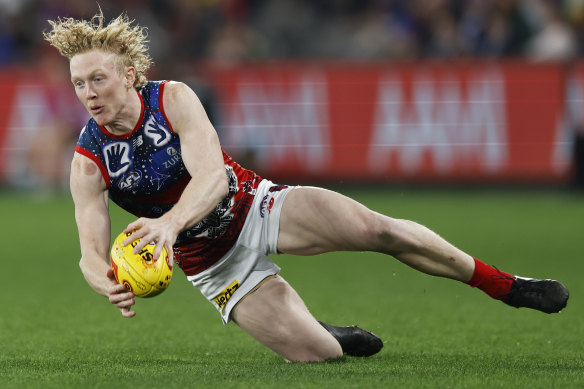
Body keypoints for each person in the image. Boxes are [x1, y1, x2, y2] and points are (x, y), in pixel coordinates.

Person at [43, 11, 569, 363]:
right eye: (78, 84)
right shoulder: (89, 162)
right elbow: (89, 250)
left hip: (255, 205)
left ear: (130, 74)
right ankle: (327, 331)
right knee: (321, 356)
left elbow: (214, 177)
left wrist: (168, 223)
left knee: (377, 229)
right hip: (213, 265)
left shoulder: (172, 98)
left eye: (98, 79)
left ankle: (505, 285)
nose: (87, 93)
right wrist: (104, 281)